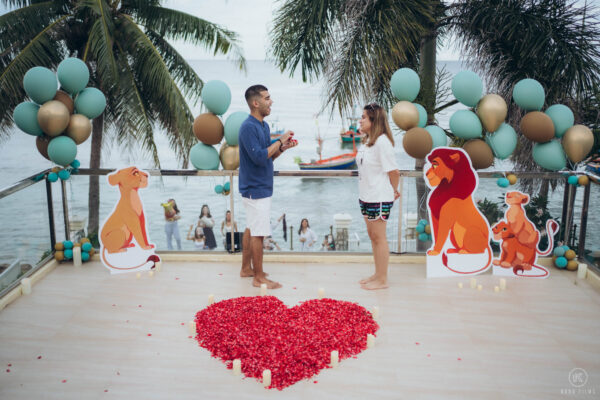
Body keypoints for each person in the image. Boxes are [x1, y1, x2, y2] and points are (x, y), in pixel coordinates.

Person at [238, 84, 297, 289]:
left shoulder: (263, 126)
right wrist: (279, 140)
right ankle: (259, 276)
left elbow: (268, 157)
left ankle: (247, 268)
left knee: (252, 228)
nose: (271, 101)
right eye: (267, 98)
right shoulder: (248, 127)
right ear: (256, 103)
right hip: (255, 188)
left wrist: (282, 147)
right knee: (258, 232)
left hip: (260, 186)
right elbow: (258, 156)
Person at [356, 103, 400, 290]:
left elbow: (394, 172)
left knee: (379, 237)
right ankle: (377, 273)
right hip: (366, 196)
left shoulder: (382, 142)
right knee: (373, 236)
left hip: (379, 197)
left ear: (374, 121)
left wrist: (394, 190)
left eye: (364, 117)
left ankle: (383, 280)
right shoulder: (367, 141)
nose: (360, 120)